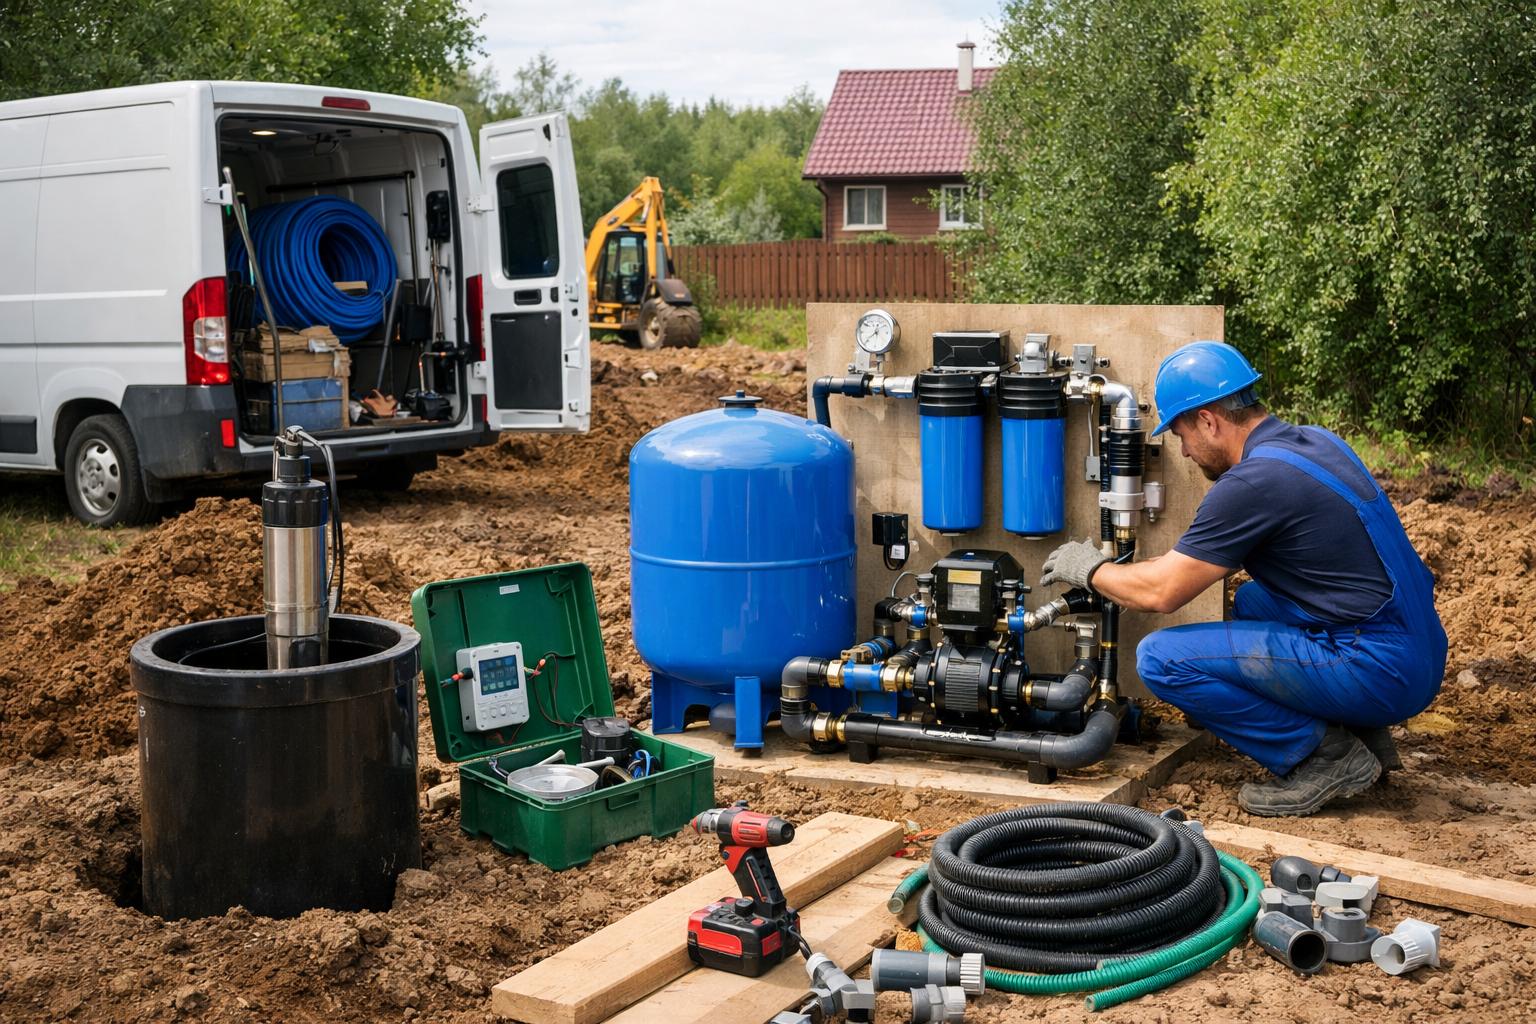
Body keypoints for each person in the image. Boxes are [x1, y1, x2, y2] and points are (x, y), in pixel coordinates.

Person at [1040, 340, 1447, 817]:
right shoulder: (1315, 442)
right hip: (1417, 645)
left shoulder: (1252, 484)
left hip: (1381, 668)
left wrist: (1091, 571)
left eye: (1182, 436)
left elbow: (1163, 591)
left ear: (1209, 420)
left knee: (1161, 660)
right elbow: (1184, 567)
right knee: (1253, 601)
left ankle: (1326, 756)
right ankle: (1362, 736)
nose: (1186, 454)